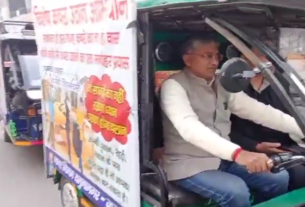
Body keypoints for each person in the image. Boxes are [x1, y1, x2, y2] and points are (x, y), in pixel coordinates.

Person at [159, 36, 304, 207]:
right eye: (207, 56)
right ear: (188, 59)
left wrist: (301, 127)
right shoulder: (173, 86)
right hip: (189, 163)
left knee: (278, 178)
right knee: (237, 191)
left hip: (223, 158)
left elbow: (261, 112)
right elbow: (189, 128)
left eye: (217, 56)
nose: (214, 62)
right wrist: (238, 153)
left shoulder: (221, 83)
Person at [230, 46, 305, 191]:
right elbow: (225, 129)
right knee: (299, 175)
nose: (267, 60)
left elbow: (289, 117)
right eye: (261, 55)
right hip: (249, 149)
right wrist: (255, 146)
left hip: (284, 146)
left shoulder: (281, 84)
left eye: (269, 56)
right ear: (244, 59)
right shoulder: (232, 88)